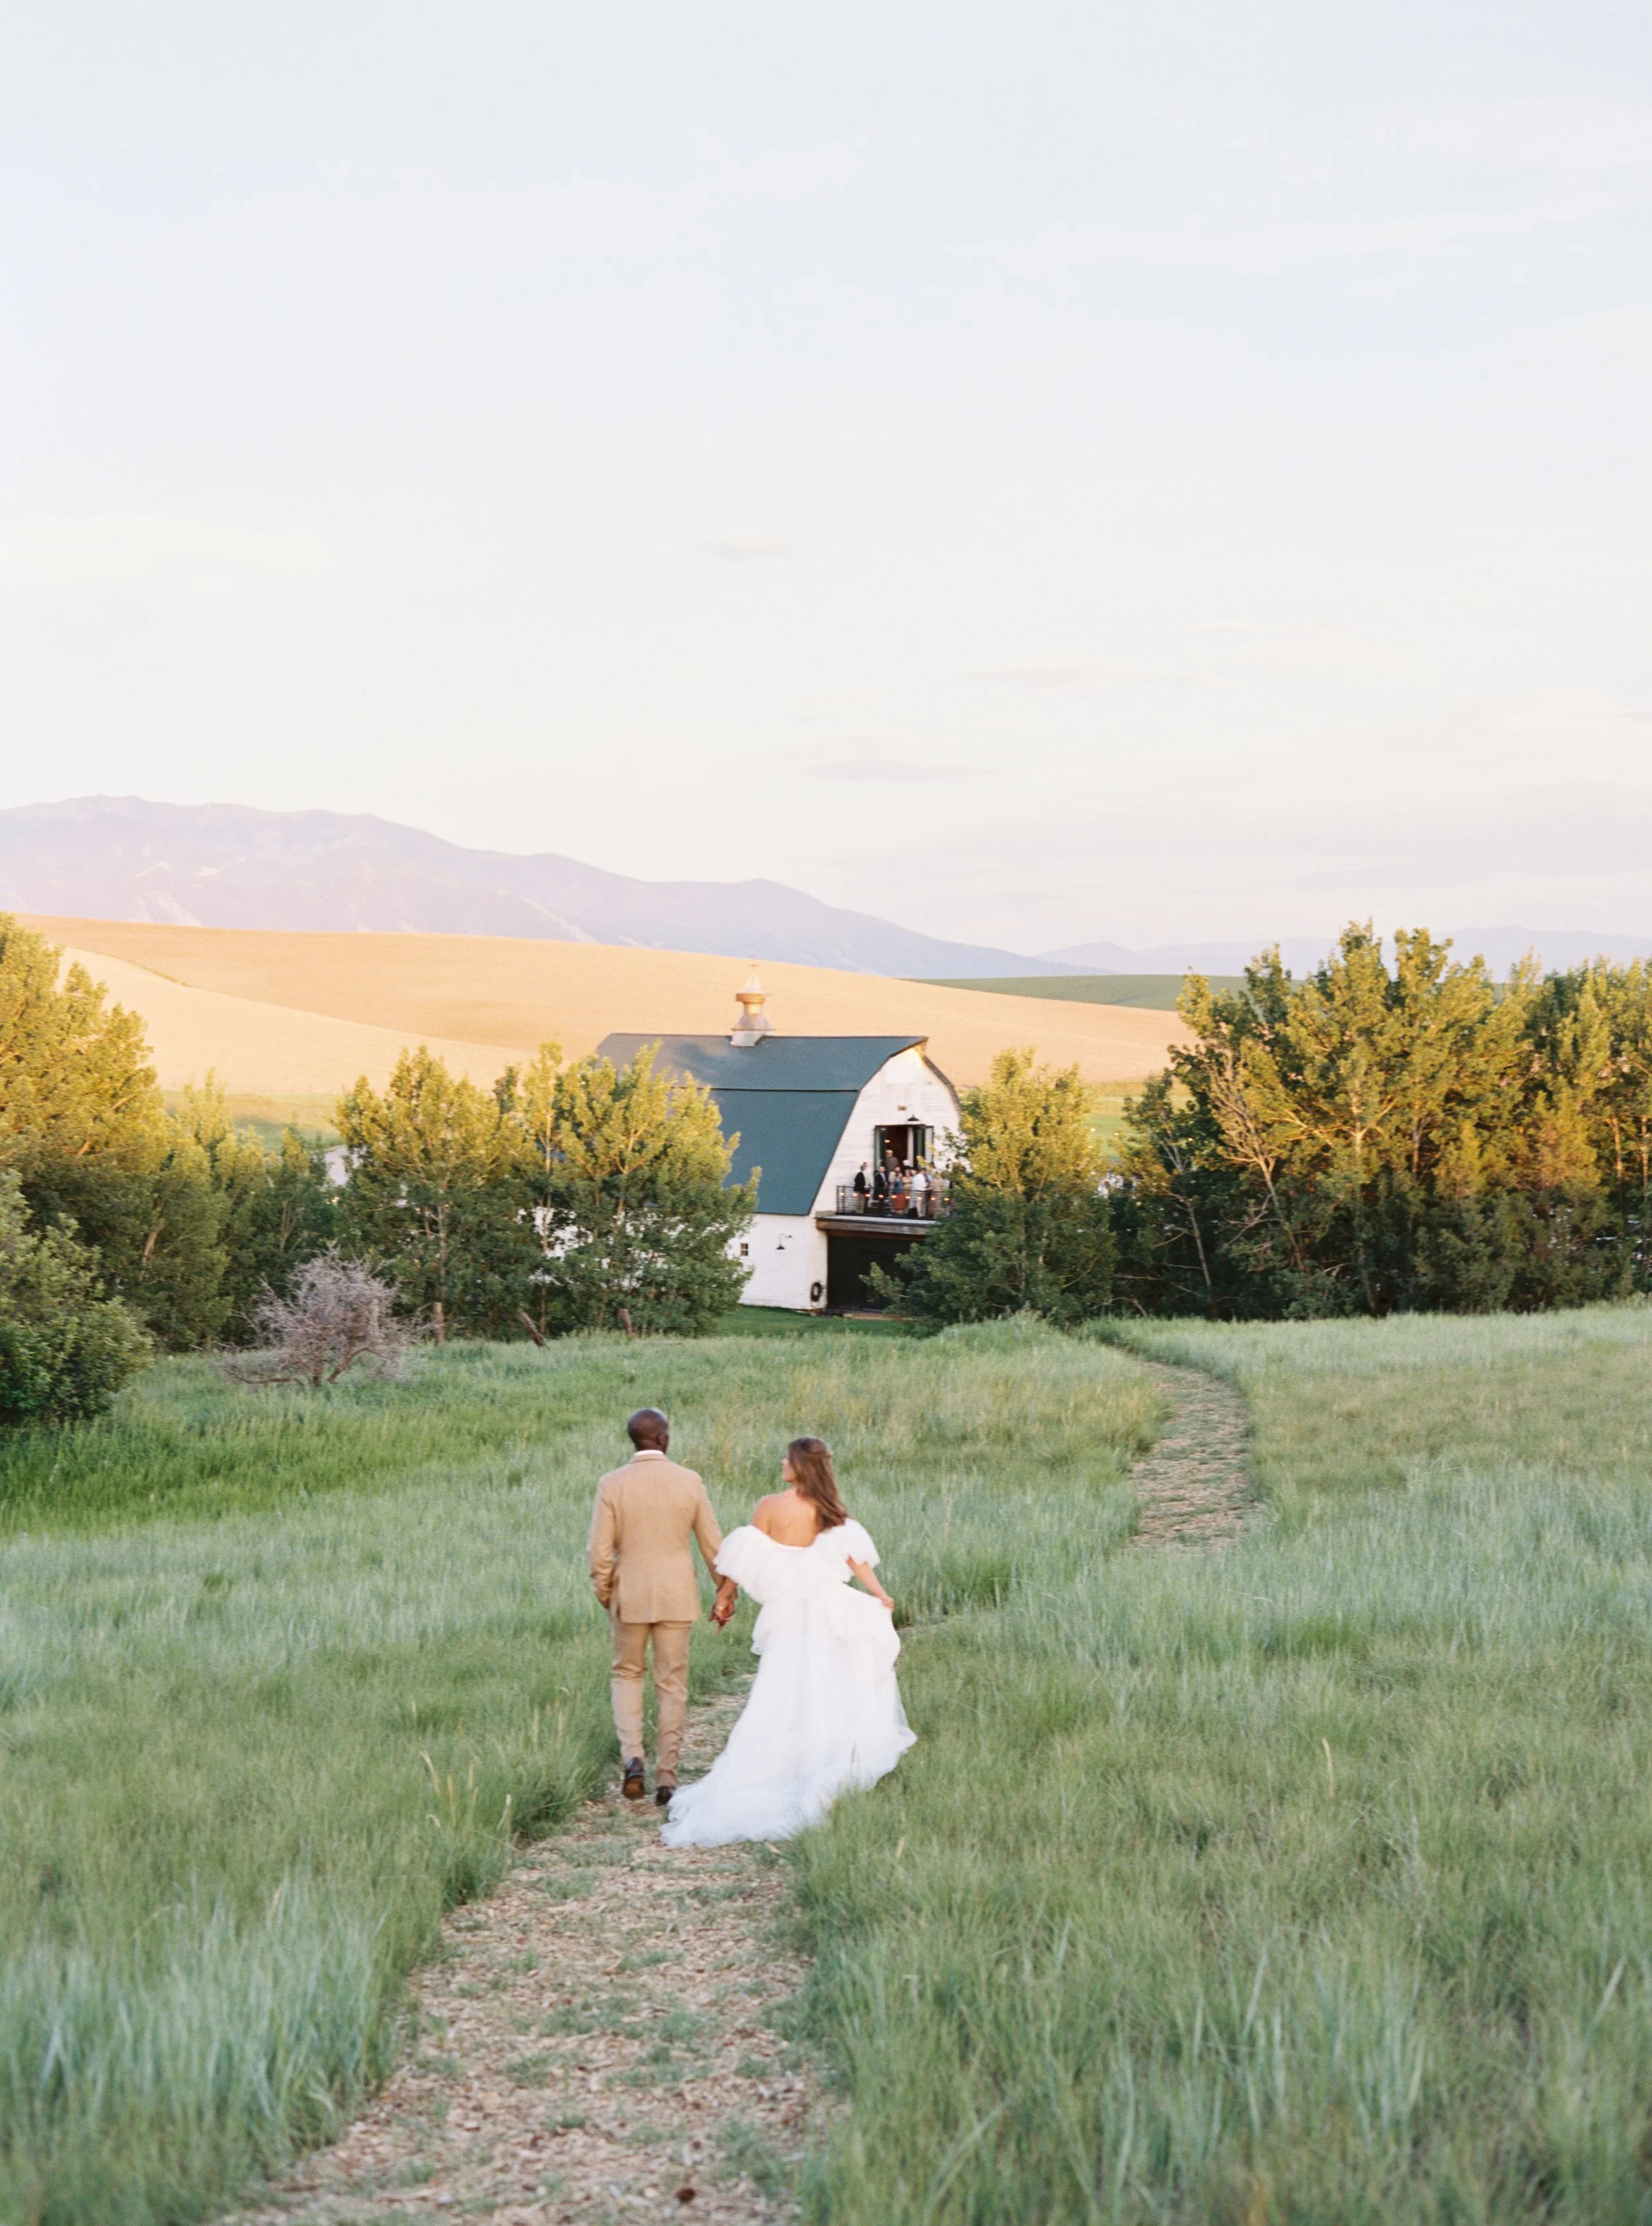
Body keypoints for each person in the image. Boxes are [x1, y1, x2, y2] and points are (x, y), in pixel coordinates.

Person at [661, 1436, 915, 1848]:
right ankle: (820, 1759)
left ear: (800, 1465)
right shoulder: (830, 1511)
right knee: (824, 1683)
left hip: (790, 1615)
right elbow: (856, 1560)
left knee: (781, 1686)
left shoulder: (769, 1507)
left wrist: (724, 1597)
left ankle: (779, 1764)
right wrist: (879, 1594)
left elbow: (744, 1561)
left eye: (787, 1458)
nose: (781, 1461)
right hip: (824, 1610)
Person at [588, 1408, 737, 1806]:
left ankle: (633, 1758)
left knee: (626, 1674)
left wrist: (608, 1594)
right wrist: (724, 1593)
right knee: (672, 1684)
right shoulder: (689, 1482)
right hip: (677, 1595)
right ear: (665, 1438)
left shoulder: (611, 1484)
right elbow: (713, 1545)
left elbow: (599, 1553)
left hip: (629, 1595)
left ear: (633, 1440)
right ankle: (667, 1776)